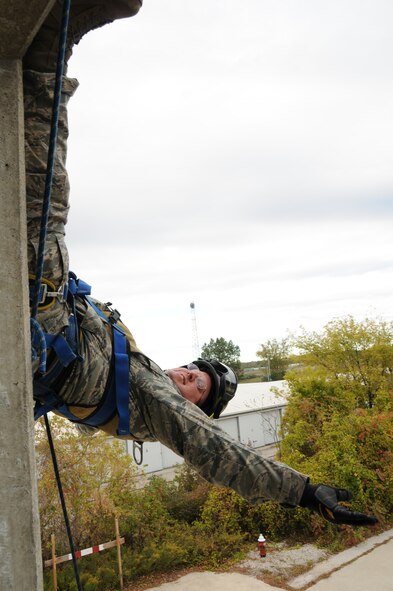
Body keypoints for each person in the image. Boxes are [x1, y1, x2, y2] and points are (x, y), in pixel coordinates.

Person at [24, 0, 377, 527]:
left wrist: (302, 491)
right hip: (41, 309)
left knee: (45, 187)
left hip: (37, 305)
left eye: (197, 388)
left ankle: (54, 40)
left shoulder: (157, 407)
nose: (187, 377)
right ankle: (48, 48)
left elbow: (217, 453)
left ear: (193, 408)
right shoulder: (138, 374)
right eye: (194, 372)